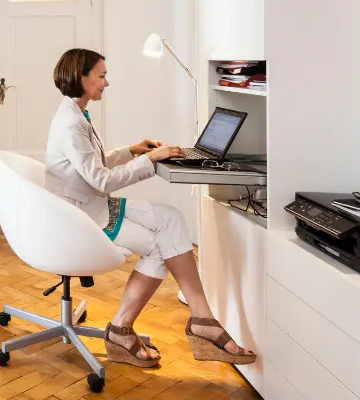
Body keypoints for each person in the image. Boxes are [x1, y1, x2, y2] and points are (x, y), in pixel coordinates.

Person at [45, 48, 255, 368]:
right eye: (102, 76)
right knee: (159, 246)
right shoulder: (71, 123)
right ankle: (122, 330)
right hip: (81, 219)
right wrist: (150, 160)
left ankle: (202, 318)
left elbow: (91, 164)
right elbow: (101, 180)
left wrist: (132, 151)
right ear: (80, 77)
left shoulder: (76, 113)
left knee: (171, 218)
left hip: (88, 204)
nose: (107, 83)